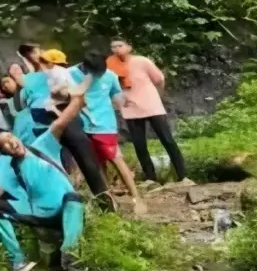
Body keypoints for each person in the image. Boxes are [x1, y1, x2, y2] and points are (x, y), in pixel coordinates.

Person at [0, 79, 93, 271]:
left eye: (9, 139)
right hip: (38, 213)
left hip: (65, 207)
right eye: (4, 145)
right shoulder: (10, 167)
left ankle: (70, 256)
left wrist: (79, 94)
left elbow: (63, 119)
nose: (10, 144)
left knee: (73, 198)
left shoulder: (42, 145)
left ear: (16, 137)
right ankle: (17, 259)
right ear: (3, 152)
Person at [22, 50, 112, 209]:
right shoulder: (48, 75)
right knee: (77, 161)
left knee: (84, 160)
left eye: (46, 61)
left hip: (64, 119)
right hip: (55, 121)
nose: (43, 64)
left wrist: (59, 103)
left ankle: (104, 201)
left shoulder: (60, 73)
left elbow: (75, 96)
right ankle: (91, 201)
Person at [71, 52, 144, 212]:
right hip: (82, 126)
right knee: (97, 164)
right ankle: (109, 199)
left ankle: (137, 198)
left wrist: (128, 101)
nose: (101, 75)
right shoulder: (71, 74)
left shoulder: (110, 75)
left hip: (105, 126)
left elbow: (118, 98)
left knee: (116, 160)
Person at [108, 39, 188, 183]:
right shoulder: (110, 65)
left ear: (129, 47)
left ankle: (183, 175)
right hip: (130, 107)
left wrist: (157, 95)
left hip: (151, 105)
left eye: (120, 46)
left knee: (167, 140)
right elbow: (111, 87)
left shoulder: (142, 61)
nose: (116, 49)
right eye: (113, 47)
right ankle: (150, 178)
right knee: (139, 145)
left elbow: (159, 79)